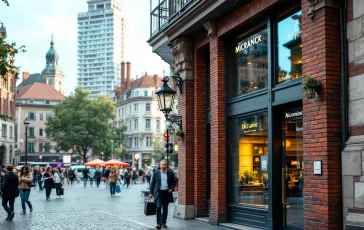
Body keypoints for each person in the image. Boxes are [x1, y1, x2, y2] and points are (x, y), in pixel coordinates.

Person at [149, 160, 176, 229]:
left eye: (165, 164)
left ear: (166, 165)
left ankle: (164, 222)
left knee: (165, 209)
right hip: (158, 193)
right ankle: (159, 223)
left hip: (167, 193)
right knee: (158, 207)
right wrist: (151, 193)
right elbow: (152, 183)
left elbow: (174, 182)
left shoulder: (170, 173)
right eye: (162, 164)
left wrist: (171, 189)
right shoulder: (156, 173)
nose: (163, 165)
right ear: (160, 165)